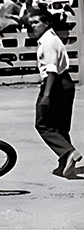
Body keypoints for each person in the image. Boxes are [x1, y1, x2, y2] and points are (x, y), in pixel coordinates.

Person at [28, 12, 82, 179]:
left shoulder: (48, 41)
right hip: (64, 83)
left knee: (43, 124)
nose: (32, 25)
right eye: (30, 22)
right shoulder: (51, 39)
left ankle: (68, 152)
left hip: (55, 84)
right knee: (60, 126)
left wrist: (46, 95)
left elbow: (51, 70)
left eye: (36, 22)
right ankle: (65, 162)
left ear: (46, 24)